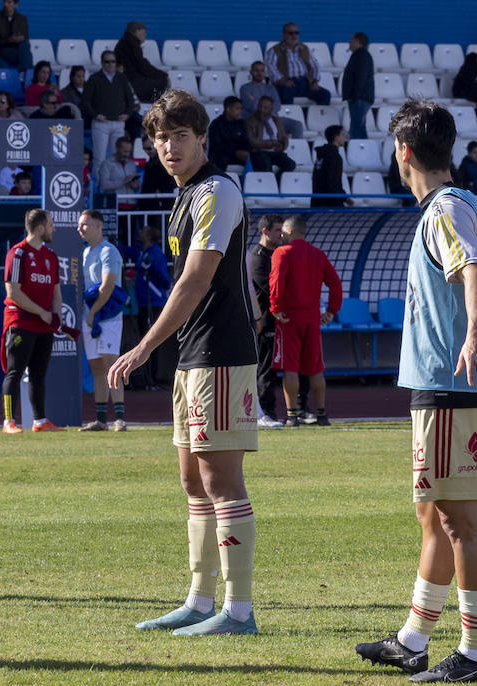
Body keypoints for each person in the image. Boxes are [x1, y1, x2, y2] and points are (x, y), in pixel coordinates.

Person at [355, 99, 477, 683]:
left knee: (461, 518)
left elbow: (473, 270)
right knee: (433, 512)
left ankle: (476, 654)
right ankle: (414, 639)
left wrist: (473, 339)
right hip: (439, 382)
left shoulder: (444, 209)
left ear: (404, 152)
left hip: (449, 383)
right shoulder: (455, 205)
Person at [113, 87, 259, 636]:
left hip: (220, 352)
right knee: (193, 482)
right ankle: (199, 601)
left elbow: (198, 278)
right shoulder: (185, 195)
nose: (169, 146)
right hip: (193, 356)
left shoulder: (217, 191)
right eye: (161, 137)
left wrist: (145, 345)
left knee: (221, 481)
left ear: (202, 139)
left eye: (179, 136)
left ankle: (239, 611)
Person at [269, 214, 339, 427]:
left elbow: (277, 281)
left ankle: (292, 415)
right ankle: (321, 413)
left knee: (290, 368)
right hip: (312, 318)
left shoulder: (282, 253)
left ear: (289, 231)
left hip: (289, 318)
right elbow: (335, 283)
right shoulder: (317, 254)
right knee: (316, 368)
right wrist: (331, 311)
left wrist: (276, 307)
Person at [0, 208, 62, 433]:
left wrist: (56, 315)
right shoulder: (18, 254)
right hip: (20, 322)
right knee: (14, 371)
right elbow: (13, 292)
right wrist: (41, 312)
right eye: (51, 224)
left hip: (43, 325)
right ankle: (8, 422)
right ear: (40, 228)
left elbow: (56, 292)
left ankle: (40, 421)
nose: (54, 228)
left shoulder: (51, 256)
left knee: (38, 373)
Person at [77, 208, 127, 431]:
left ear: (98, 226)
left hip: (107, 317)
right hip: (91, 316)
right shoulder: (85, 252)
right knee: (96, 366)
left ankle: (120, 417)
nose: (80, 229)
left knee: (110, 364)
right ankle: (100, 419)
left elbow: (107, 287)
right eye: (79, 225)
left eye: (84, 224)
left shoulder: (109, 251)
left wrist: (93, 312)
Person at [248, 213, 286, 427]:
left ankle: (292, 410)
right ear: (265, 232)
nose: (280, 234)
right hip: (264, 320)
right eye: (276, 230)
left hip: (278, 319)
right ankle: (265, 411)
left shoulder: (279, 253)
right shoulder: (258, 256)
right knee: (265, 366)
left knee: (276, 366)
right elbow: (266, 287)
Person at [81, 49, 136, 167]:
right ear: (102, 63)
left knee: (118, 157)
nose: (110, 64)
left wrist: (127, 114)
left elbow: (130, 100)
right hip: (101, 124)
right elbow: (85, 101)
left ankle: (115, 184)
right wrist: (95, 115)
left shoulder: (122, 78)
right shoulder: (94, 78)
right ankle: (98, 184)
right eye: (107, 62)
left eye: (113, 61)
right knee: (99, 157)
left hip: (118, 123)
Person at [132, 223, 171, 389]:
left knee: (151, 341)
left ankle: (153, 380)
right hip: (143, 302)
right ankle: (146, 379)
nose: (139, 232)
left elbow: (165, 278)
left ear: (148, 236)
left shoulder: (155, 253)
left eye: (143, 230)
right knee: (143, 339)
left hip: (154, 303)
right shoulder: (143, 252)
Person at [265, 23, 330, 105]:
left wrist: (315, 81)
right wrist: (284, 82)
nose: (294, 36)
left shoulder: (304, 48)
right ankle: (289, 116)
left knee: (325, 95)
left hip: (305, 83)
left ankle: (317, 117)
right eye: (291, 33)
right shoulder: (274, 50)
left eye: (296, 33)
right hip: (286, 83)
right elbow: (271, 69)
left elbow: (315, 66)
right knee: (285, 95)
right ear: (284, 34)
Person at [114, 20, 167, 104]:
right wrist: (162, 75)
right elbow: (142, 66)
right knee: (163, 82)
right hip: (132, 81)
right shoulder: (132, 44)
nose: (145, 34)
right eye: (143, 31)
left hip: (130, 78)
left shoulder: (126, 42)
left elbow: (142, 63)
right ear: (136, 31)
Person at [246, 96, 294, 175]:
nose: (261, 110)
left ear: (271, 109)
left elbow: (284, 137)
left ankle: (277, 182)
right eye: (260, 106)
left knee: (290, 164)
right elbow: (251, 141)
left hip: (275, 152)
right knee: (266, 165)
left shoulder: (276, 120)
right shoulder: (250, 121)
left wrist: (282, 146)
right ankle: (269, 183)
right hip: (259, 152)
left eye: (265, 108)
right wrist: (270, 143)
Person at [341, 32, 374, 141]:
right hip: (360, 97)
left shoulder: (361, 56)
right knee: (360, 128)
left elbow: (361, 77)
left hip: (359, 98)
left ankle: (355, 153)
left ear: (358, 41)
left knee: (355, 129)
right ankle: (365, 151)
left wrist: (355, 96)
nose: (349, 43)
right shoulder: (361, 55)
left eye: (351, 40)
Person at [207, 96, 250, 171]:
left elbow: (245, 141)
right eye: (237, 109)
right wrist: (235, 152)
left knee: (258, 157)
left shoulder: (241, 123)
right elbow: (216, 146)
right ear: (228, 109)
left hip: (239, 155)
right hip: (222, 156)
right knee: (220, 159)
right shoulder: (216, 124)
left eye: (240, 109)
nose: (240, 111)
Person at [0, 0, 31, 72]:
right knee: (27, 57)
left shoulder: (22, 19)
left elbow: (25, 37)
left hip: (18, 50)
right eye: (4, 2)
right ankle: (26, 74)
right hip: (2, 49)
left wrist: (19, 39)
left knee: (25, 45)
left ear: (16, 5)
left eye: (9, 2)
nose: (5, 4)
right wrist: (8, 40)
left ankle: (24, 71)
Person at [313, 124, 348, 205]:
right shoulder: (334, 157)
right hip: (330, 203)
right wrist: (343, 198)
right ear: (336, 137)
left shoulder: (321, 155)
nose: (344, 138)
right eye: (342, 135)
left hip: (317, 202)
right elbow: (333, 182)